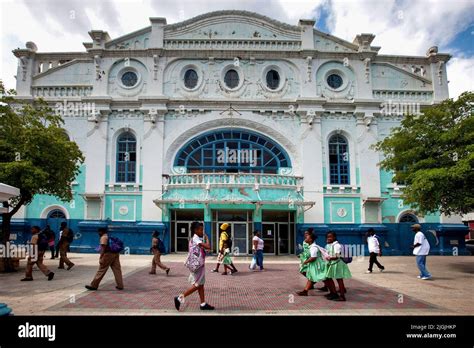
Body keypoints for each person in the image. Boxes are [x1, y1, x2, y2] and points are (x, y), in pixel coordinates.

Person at [174, 221, 214, 311]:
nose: (202, 231)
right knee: (197, 285)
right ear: (195, 230)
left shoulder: (195, 239)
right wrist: (207, 238)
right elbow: (208, 247)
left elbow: (202, 250)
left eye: (202, 229)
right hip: (198, 266)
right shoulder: (196, 239)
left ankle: (203, 304)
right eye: (201, 229)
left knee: (201, 285)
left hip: (198, 265)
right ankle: (180, 297)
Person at [323, 231, 352, 301]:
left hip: (338, 264)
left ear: (334, 237)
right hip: (333, 263)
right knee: (328, 278)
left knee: (339, 280)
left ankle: (342, 296)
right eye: (327, 237)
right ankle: (333, 293)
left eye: (330, 237)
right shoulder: (331, 245)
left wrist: (329, 257)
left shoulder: (336, 245)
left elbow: (337, 256)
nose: (328, 238)